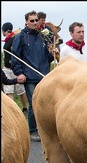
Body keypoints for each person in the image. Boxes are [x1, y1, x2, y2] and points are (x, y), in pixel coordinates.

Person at [11, 10, 57, 142]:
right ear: (26, 22)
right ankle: (32, 131)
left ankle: (46, 130)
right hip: (29, 76)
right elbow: (15, 56)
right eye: (32, 21)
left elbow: (47, 58)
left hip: (44, 75)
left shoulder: (43, 36)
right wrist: (19, 72)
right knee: (33, 104)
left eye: (36, 20)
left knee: (46, 104)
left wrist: (52, 52)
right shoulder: (20, 37)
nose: (35, 23)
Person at [2, 22, 29, 115]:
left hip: (12, 67)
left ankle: (13, 112)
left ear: (4, 31)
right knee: (20, 90)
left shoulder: (11, 39)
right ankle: (24, 108)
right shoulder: (15, 37)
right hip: (16, 67)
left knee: (10, 91)